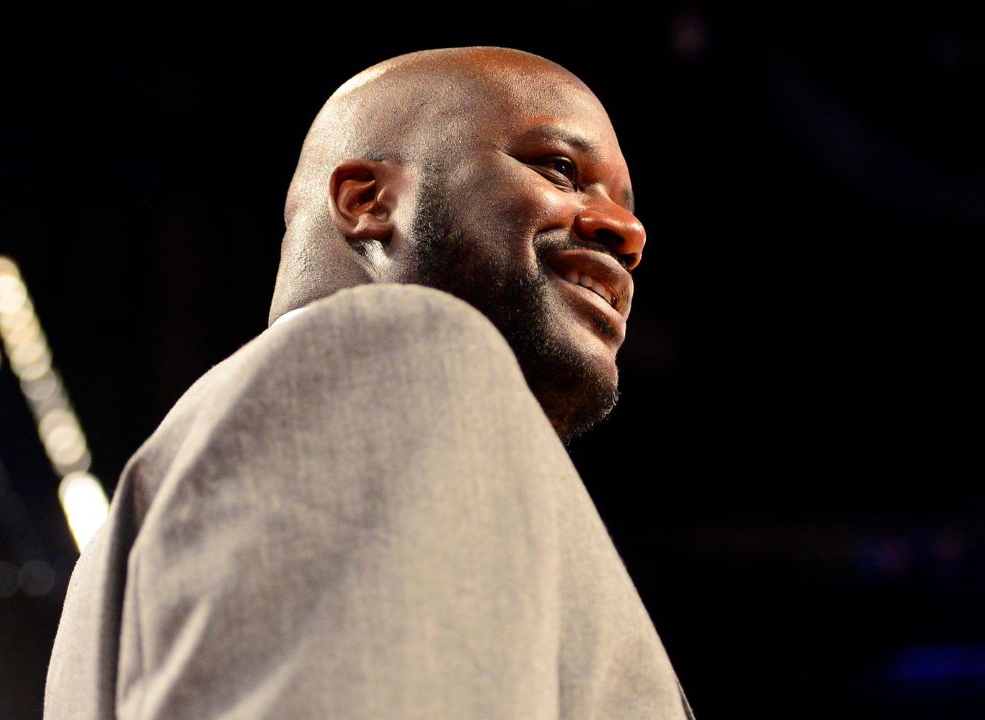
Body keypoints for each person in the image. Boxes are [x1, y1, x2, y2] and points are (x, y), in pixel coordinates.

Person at [45, 47, 694, 719]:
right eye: (560, 168)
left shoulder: (194, 472)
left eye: (625, 204)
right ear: (368, 201)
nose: (628, 232)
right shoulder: (399, 356)